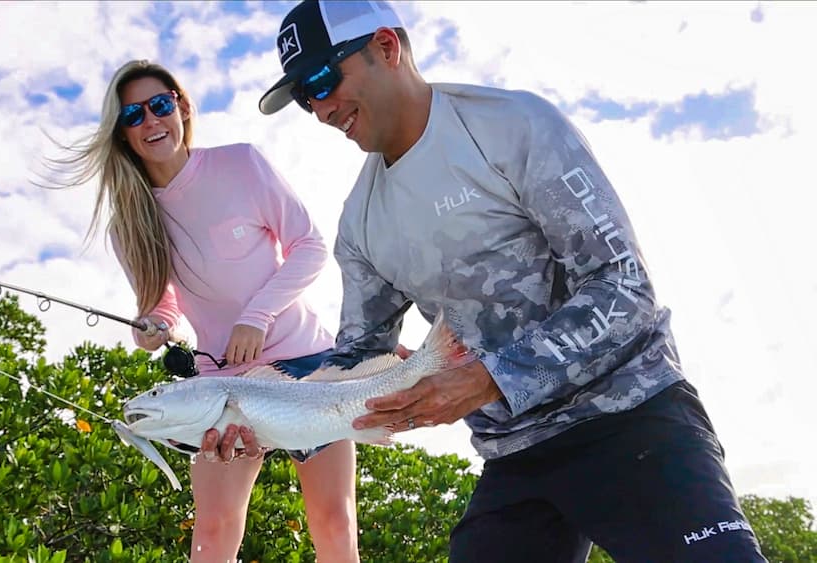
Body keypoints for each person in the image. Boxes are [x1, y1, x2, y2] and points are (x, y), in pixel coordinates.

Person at [257, 1, 768, 561]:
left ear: (386, 45)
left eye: (324, 79)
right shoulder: (360, 223)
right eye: (305, 99)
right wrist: (256, 413)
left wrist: (490, 379)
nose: (322, 108)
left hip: (633, 414)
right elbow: (357, 363)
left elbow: (623, 287)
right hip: (516, 452)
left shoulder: (511, 125)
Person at [48, 60, 359, 563]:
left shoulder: (242, 164)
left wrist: (255, 317)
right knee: (212, 533)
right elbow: (159, 304)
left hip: (309, 367)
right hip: (223, 385)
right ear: (122, 134)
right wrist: (155, 327)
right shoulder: (127, 224)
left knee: (334, 521)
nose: (151, 122)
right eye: (133, 115)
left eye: (160, 105)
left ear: (182, 106)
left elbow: (309, 246)